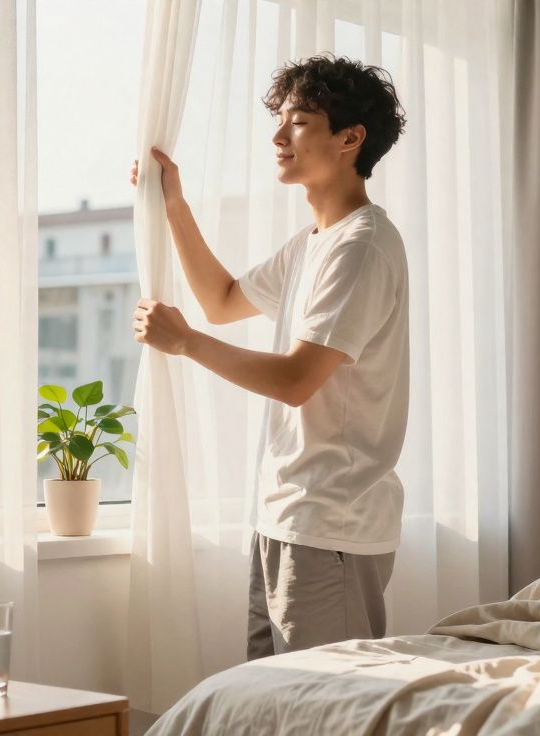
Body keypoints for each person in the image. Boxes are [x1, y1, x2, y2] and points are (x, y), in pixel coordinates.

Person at [129, 55, 409, 659]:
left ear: (350, 138)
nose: (278, 137)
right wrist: (172, 204)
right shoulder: (313, 244)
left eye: (299, 122)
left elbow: (297, 380)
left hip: (330, 523)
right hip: (285, 516)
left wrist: (185, 344)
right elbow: (222, 300)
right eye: (279, 122)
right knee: (271, 707)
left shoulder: (362, 248)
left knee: (325, 711)